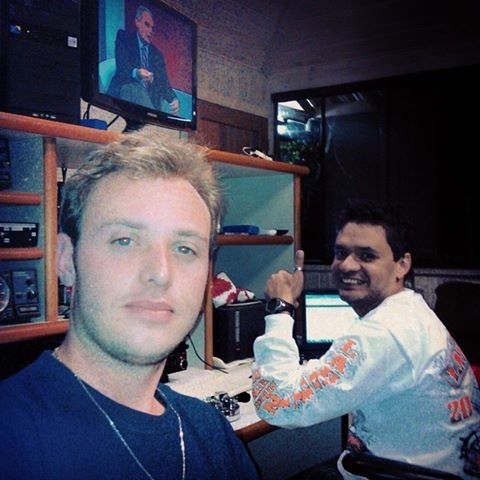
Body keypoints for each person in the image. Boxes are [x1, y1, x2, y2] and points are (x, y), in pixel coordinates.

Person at [0, 132, 259, 480]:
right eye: (125, 240)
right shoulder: (11, 437)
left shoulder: (211, 432)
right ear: (65, 260)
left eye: (185, 248)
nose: (161, 274)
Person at [252, 201, 480, 479]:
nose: (347, 265)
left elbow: (275, 404)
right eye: (341, 253)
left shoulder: (383, 332)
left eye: (367, 256)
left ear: (402, 264)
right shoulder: (411, 310)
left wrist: (280, 308)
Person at [108, 5, 180, 116]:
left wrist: (173, 98)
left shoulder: (157, 54)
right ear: (137, 22)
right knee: (136, 88)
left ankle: (153, 119)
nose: (150, 31)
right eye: (147, 25)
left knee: (159, 101)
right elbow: (122, 68)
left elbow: (163, 82)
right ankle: (153, 121)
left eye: (152, 28)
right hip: (124, 90)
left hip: (148, 102)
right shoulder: (124, 38)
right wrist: (136, 73)